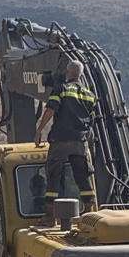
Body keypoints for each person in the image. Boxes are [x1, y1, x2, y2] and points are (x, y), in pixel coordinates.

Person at [35, 59, 96, 209]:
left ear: (67, 72)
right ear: (81, 75)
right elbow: (91, 121)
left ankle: (49, 215)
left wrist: (39, 130)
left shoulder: (61, 89)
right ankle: (89, 209)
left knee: (53, 174)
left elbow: (50, 110)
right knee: (82, 176)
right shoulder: (90, 95)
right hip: (79, 141)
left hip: (60, 139)